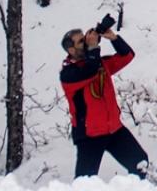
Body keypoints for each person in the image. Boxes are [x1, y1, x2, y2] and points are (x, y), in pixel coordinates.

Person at [59, 25, 149, 178]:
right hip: (89, 134)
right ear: (71, 50)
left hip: (113, 129)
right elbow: (89, 71)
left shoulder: (99, 63)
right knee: (85, 182)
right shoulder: (68, 74)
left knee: (140, 164)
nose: (86, 42)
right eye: (81, 41)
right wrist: (93, 48)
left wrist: (113, 38)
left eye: (85, 38)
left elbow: (127, 55)